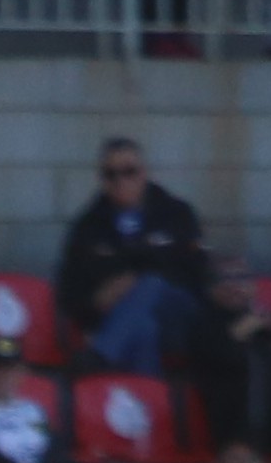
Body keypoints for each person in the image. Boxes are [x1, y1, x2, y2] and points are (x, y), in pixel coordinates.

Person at [62, 138, 213, 379]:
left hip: (180, 317)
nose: (121, 181)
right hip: (121, 321)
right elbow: (69, 290)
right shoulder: (88, 226)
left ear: (144, 173)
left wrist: (135, 282)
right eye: (111, 174)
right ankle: (147, 406)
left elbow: (200, 272)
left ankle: (101, 354)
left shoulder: (176, 213)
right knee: (143, 327)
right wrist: (98, 299)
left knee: (149, 284)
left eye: (129, 171)